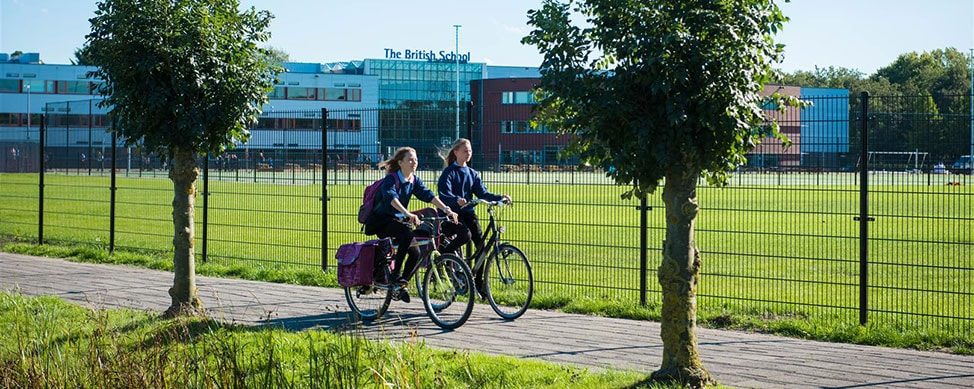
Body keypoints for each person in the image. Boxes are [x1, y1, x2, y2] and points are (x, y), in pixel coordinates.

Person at [363, 147, 463, 303]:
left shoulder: (413, 180)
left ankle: (400, 284)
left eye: (415, 159)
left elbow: (428, 195)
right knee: (407, 235)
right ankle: (395, 277)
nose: (414, 162)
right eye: (410, 159)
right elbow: (391, 198)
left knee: (416, 253)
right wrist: (407, 214)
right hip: (380, 221)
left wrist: (447, 210)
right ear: (400, 162)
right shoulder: (392, 178)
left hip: (397, 220)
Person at [436, 139, 512, 292]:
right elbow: (444, 195)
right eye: (465, 151)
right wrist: (457, 201)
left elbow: (483, 193)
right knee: (465, 235)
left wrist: (500, 198)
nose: (468, 154)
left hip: (469, 213)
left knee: (482, 246)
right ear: (456, 152)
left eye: (470, 151)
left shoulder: (472, 173)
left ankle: (478, 282)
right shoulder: (449, 172)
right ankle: (443, 256)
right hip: (452, 215)